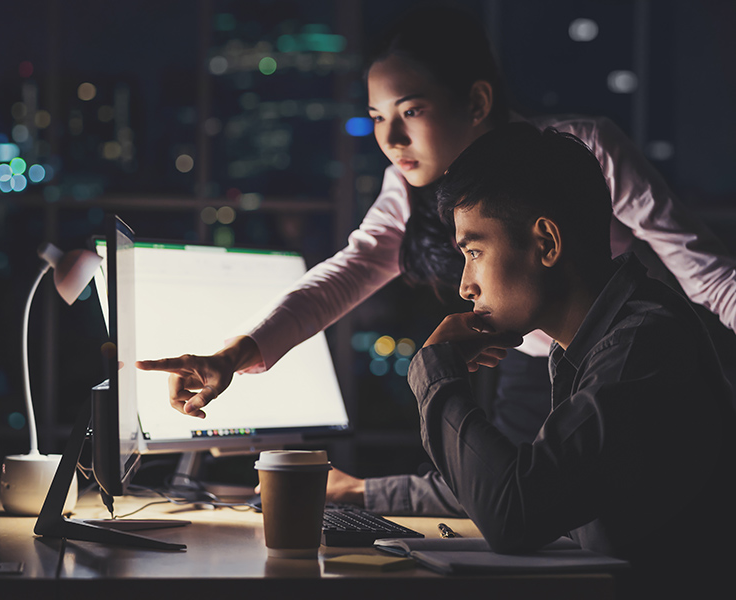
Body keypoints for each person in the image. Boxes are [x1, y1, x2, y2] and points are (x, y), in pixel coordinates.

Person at [137, 6, 736, 511]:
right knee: (506, 500)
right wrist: (236, 354)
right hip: (530, 372)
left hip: (625, 361)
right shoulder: (412, 184)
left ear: (477, 101)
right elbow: (351, 269)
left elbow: (707, 275)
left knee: (546, 509)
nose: (391, 140)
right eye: (376, 118)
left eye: (411, 111)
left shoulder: (584, 151)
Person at [408, 121, 736, 595]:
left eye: (474, 251)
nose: (465, 285)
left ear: (546, 243)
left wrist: (437, 372)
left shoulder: (641, 348)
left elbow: (512, 513)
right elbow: (527, 485)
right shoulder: (593, 346)